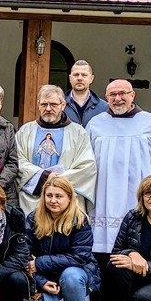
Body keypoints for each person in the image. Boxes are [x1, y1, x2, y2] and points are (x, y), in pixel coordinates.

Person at [87, 79, 151, 256]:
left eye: (122, 94)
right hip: (104, 197)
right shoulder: (95, 125)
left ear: (132, 95)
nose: (117, 98)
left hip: (140, 196)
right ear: (106, 97)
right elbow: (86, 164)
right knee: (104, 254)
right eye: (113, 94)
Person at [26, 176, 100, 301]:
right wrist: (41, 281)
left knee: (71, 276)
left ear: (69, 197)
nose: (53, 200)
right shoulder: (33, 218)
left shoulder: (80, 220)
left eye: (58, 196)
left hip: (75, 273)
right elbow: (25, 255)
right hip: (46, 276)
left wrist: (39, 262)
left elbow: (80, 257)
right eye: (49, 195)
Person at [16, 85, 97, 214]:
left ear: (63, 105)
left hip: (66, 200)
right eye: (44, 104)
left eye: (53, 104)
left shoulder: (78, 132)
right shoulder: (25, 131)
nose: (48, 108)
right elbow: (18, 161)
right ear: (38, 105)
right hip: (32, 201)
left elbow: (86, 166)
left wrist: (57, 181)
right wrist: (44, 176)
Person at [65, 60, 108, 126]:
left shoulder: (104, 107)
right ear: (70, 78)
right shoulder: (59, 105)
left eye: (84, 75)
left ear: (91, 79)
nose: (79, 78)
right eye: (76, 75)